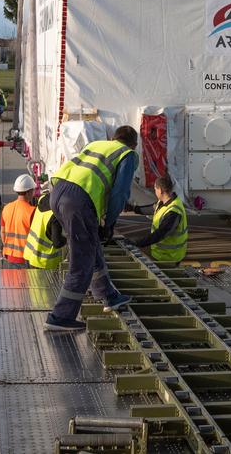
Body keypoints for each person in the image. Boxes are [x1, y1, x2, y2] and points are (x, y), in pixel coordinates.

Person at [45, 126, 138, 331]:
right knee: (82, 259)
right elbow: (119, 194)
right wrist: (109, 223)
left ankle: (108, 295)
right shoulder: (128, 154)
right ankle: (60, 317)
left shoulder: (97, 144)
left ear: (114, 138)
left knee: (91, 245)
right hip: (79, 200)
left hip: (58, 191)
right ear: (133, 144)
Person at [131, 175, 188, 262]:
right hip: (160, 253)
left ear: (160, 190)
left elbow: (161, 233)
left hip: (168, 257)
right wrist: (132, 208)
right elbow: (152, 208)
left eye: (155, 189)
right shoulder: (166, 201)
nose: (155, 191)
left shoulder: (173, 212)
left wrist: (138, 243)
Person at [0, 173, 37, 268]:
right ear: (28, 192)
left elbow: (2, 232)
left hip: (8, 257)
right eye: (33, 191)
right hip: (24, 258)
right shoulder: (31, 211)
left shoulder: (7, 208)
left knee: (10, 283)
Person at [24, 192, 66, 269]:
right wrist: (66, 239)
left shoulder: (42, 199)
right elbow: (57, 242)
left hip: (30, 254)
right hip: (43, 262)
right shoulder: (55, 215)